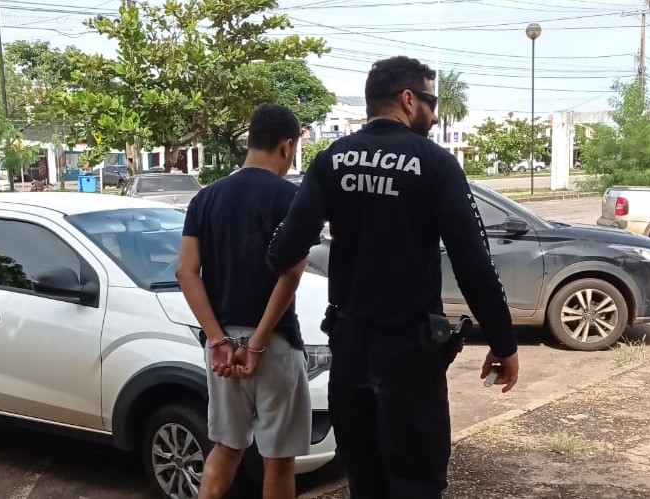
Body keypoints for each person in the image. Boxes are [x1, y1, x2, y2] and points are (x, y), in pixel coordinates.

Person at [266, 56, 520, 499]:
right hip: (411, 356)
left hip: (350, 352)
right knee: (416, 482)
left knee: (366, 483)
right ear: (407, 99)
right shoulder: (435, 164)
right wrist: (504, 343)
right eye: (431, 103)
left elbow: (284, 252)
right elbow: (474, 263)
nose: (435, 116)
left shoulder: (331, 162)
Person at [176, 104, 311, 499]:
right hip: (274, 344)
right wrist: (257, 343)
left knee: (225, 447)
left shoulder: (206, 198)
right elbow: (291, 273)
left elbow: (186, 271)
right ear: (287, 146)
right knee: (278, 460)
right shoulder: (291, 198)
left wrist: (217, 340)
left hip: (222, 347)